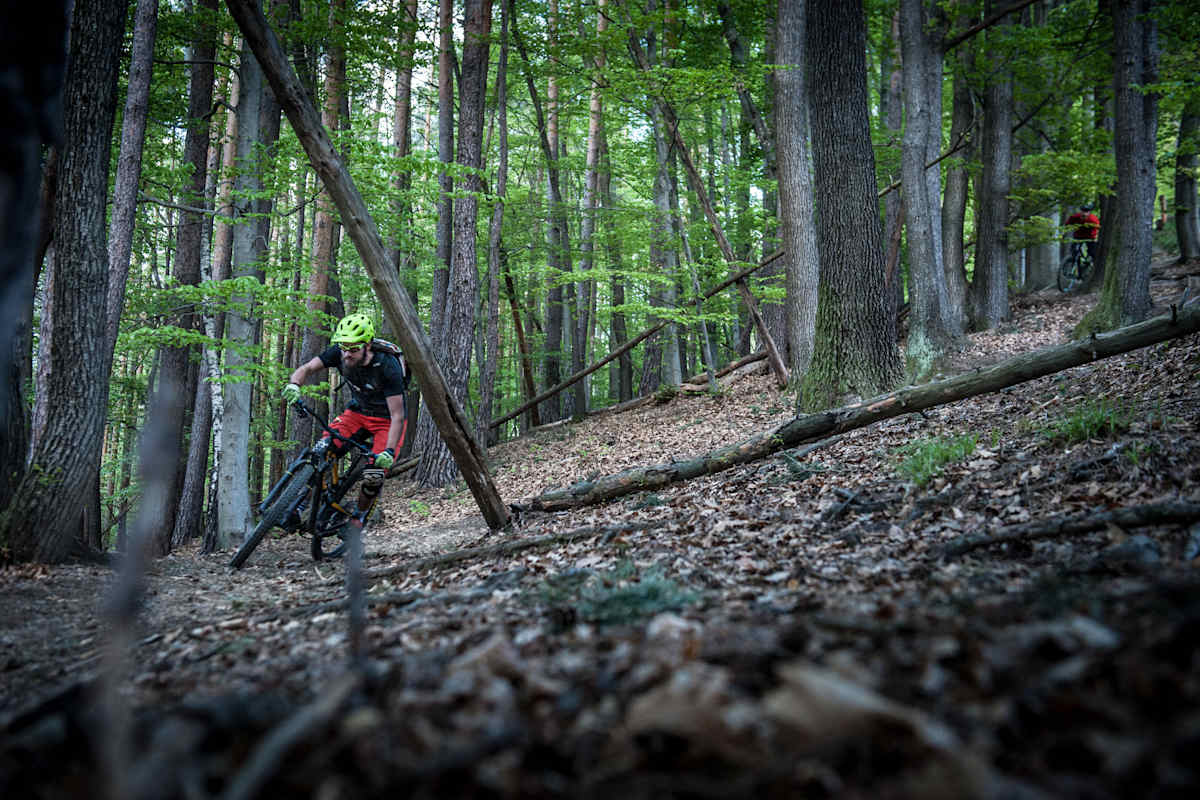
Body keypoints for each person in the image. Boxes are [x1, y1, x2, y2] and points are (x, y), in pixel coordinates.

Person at [281, 312, 408, 518]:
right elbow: (307, 368)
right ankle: (299, 503)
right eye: (343, 347)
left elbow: (397, 415)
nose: (347, 354)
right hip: (357, 413)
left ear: (367, 346)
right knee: (322, 450)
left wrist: (390, 451)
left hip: (387, 421)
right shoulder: (339, 353)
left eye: (353, 349)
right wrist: (294, 384)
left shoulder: (387, 366)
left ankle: (359, 516)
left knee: (374, 475)